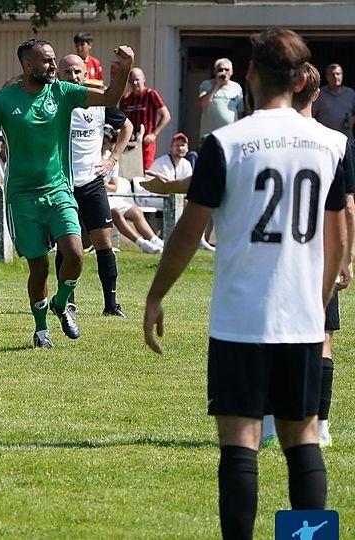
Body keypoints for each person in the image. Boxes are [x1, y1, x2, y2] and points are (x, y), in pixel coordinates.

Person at [144, 28, 349, 539]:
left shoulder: (225, 143)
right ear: (304, 79)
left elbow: (189, 231)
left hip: (240, 319)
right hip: (301, 319)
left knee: (241, 445)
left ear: (252, 74)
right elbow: (341, 239)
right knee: (302, 442)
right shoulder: (333, 143)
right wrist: (319, 298)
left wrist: (155, 295)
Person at [0, 38, 135, 349]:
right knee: (38, 267)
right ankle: (41, 330)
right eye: (47, 61)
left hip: (59, 189)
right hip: (22, 197)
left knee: (76, 253)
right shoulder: (4, 100)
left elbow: (109, 96)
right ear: (28, 66)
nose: (54, 66)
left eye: (54, 60)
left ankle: (61, 301)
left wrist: (125, 68)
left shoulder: (63, 93)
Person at [260, 61, 355, 450]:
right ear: (316, 94)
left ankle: (267, 425)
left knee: (269, 338)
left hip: (274, 250)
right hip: (319, 252)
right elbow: (347, 206)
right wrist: (346, 255)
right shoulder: (336, 141)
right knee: (322, 339)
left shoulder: (264, 136)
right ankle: (321, 426)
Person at [56, 54, 133, 317]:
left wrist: (111, 160)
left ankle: (111, 305)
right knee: (66, 243)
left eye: (78, 72)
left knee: (104, 241)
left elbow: (127, 128)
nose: (74, 77)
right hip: (63, 182)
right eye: (68, 73)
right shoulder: (55, 101)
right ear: (59, 75)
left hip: (92, 181)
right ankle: (68, 301)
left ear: (86, 73)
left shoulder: (98, 101)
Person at [101, 128, 164, 254]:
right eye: (102, 140)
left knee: (135, 211)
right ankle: (142, 243)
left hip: (110, 196)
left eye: (107, 142)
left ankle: (154, 240)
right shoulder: (90, 156)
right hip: (98, 198)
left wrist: (102, 184)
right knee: (116, 213)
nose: (103, 144)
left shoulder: (112, 159)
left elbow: (114, 186)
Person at [119, 67, 171, 170]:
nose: (134, 83)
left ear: (143, 79)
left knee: (145, 170)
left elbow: (166, 116)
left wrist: (154, 134)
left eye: (137, 79)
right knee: (128, 170)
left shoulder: (151, 94)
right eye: (132, 80)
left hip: (146, 142)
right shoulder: (125, 99)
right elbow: (121, 120)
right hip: (129, 142)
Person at [197, 58, 245, 140]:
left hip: (230, 136)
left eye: (226, 70)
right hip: (209, 136)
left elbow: (240, 112)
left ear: (231, 72)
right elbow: (202, 104)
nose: (223, 72)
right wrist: (216, 85)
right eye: (220, 70)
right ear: (215, 72)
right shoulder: (207, 85)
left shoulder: (237, 87)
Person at [313, 63, 355, 141]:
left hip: (347, 141)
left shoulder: (350, 93)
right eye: (332, 74)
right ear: (327, 77)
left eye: (338, 74)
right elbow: (311, 114)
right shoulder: (320, 93)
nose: (336, 77)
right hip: (326, 140)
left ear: (342, 75)